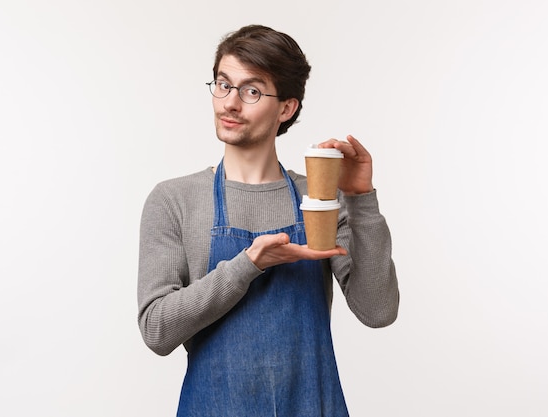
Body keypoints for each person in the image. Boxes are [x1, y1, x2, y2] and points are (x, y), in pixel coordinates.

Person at [137, 24, 399, 416]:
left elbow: (378, 311)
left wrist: (360, 199)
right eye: (223, 85)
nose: (230, 103)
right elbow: (157, 330)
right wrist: (247, 266)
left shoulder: (320, 199)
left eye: (252, 91)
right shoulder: (175, 200)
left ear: (286, 108)